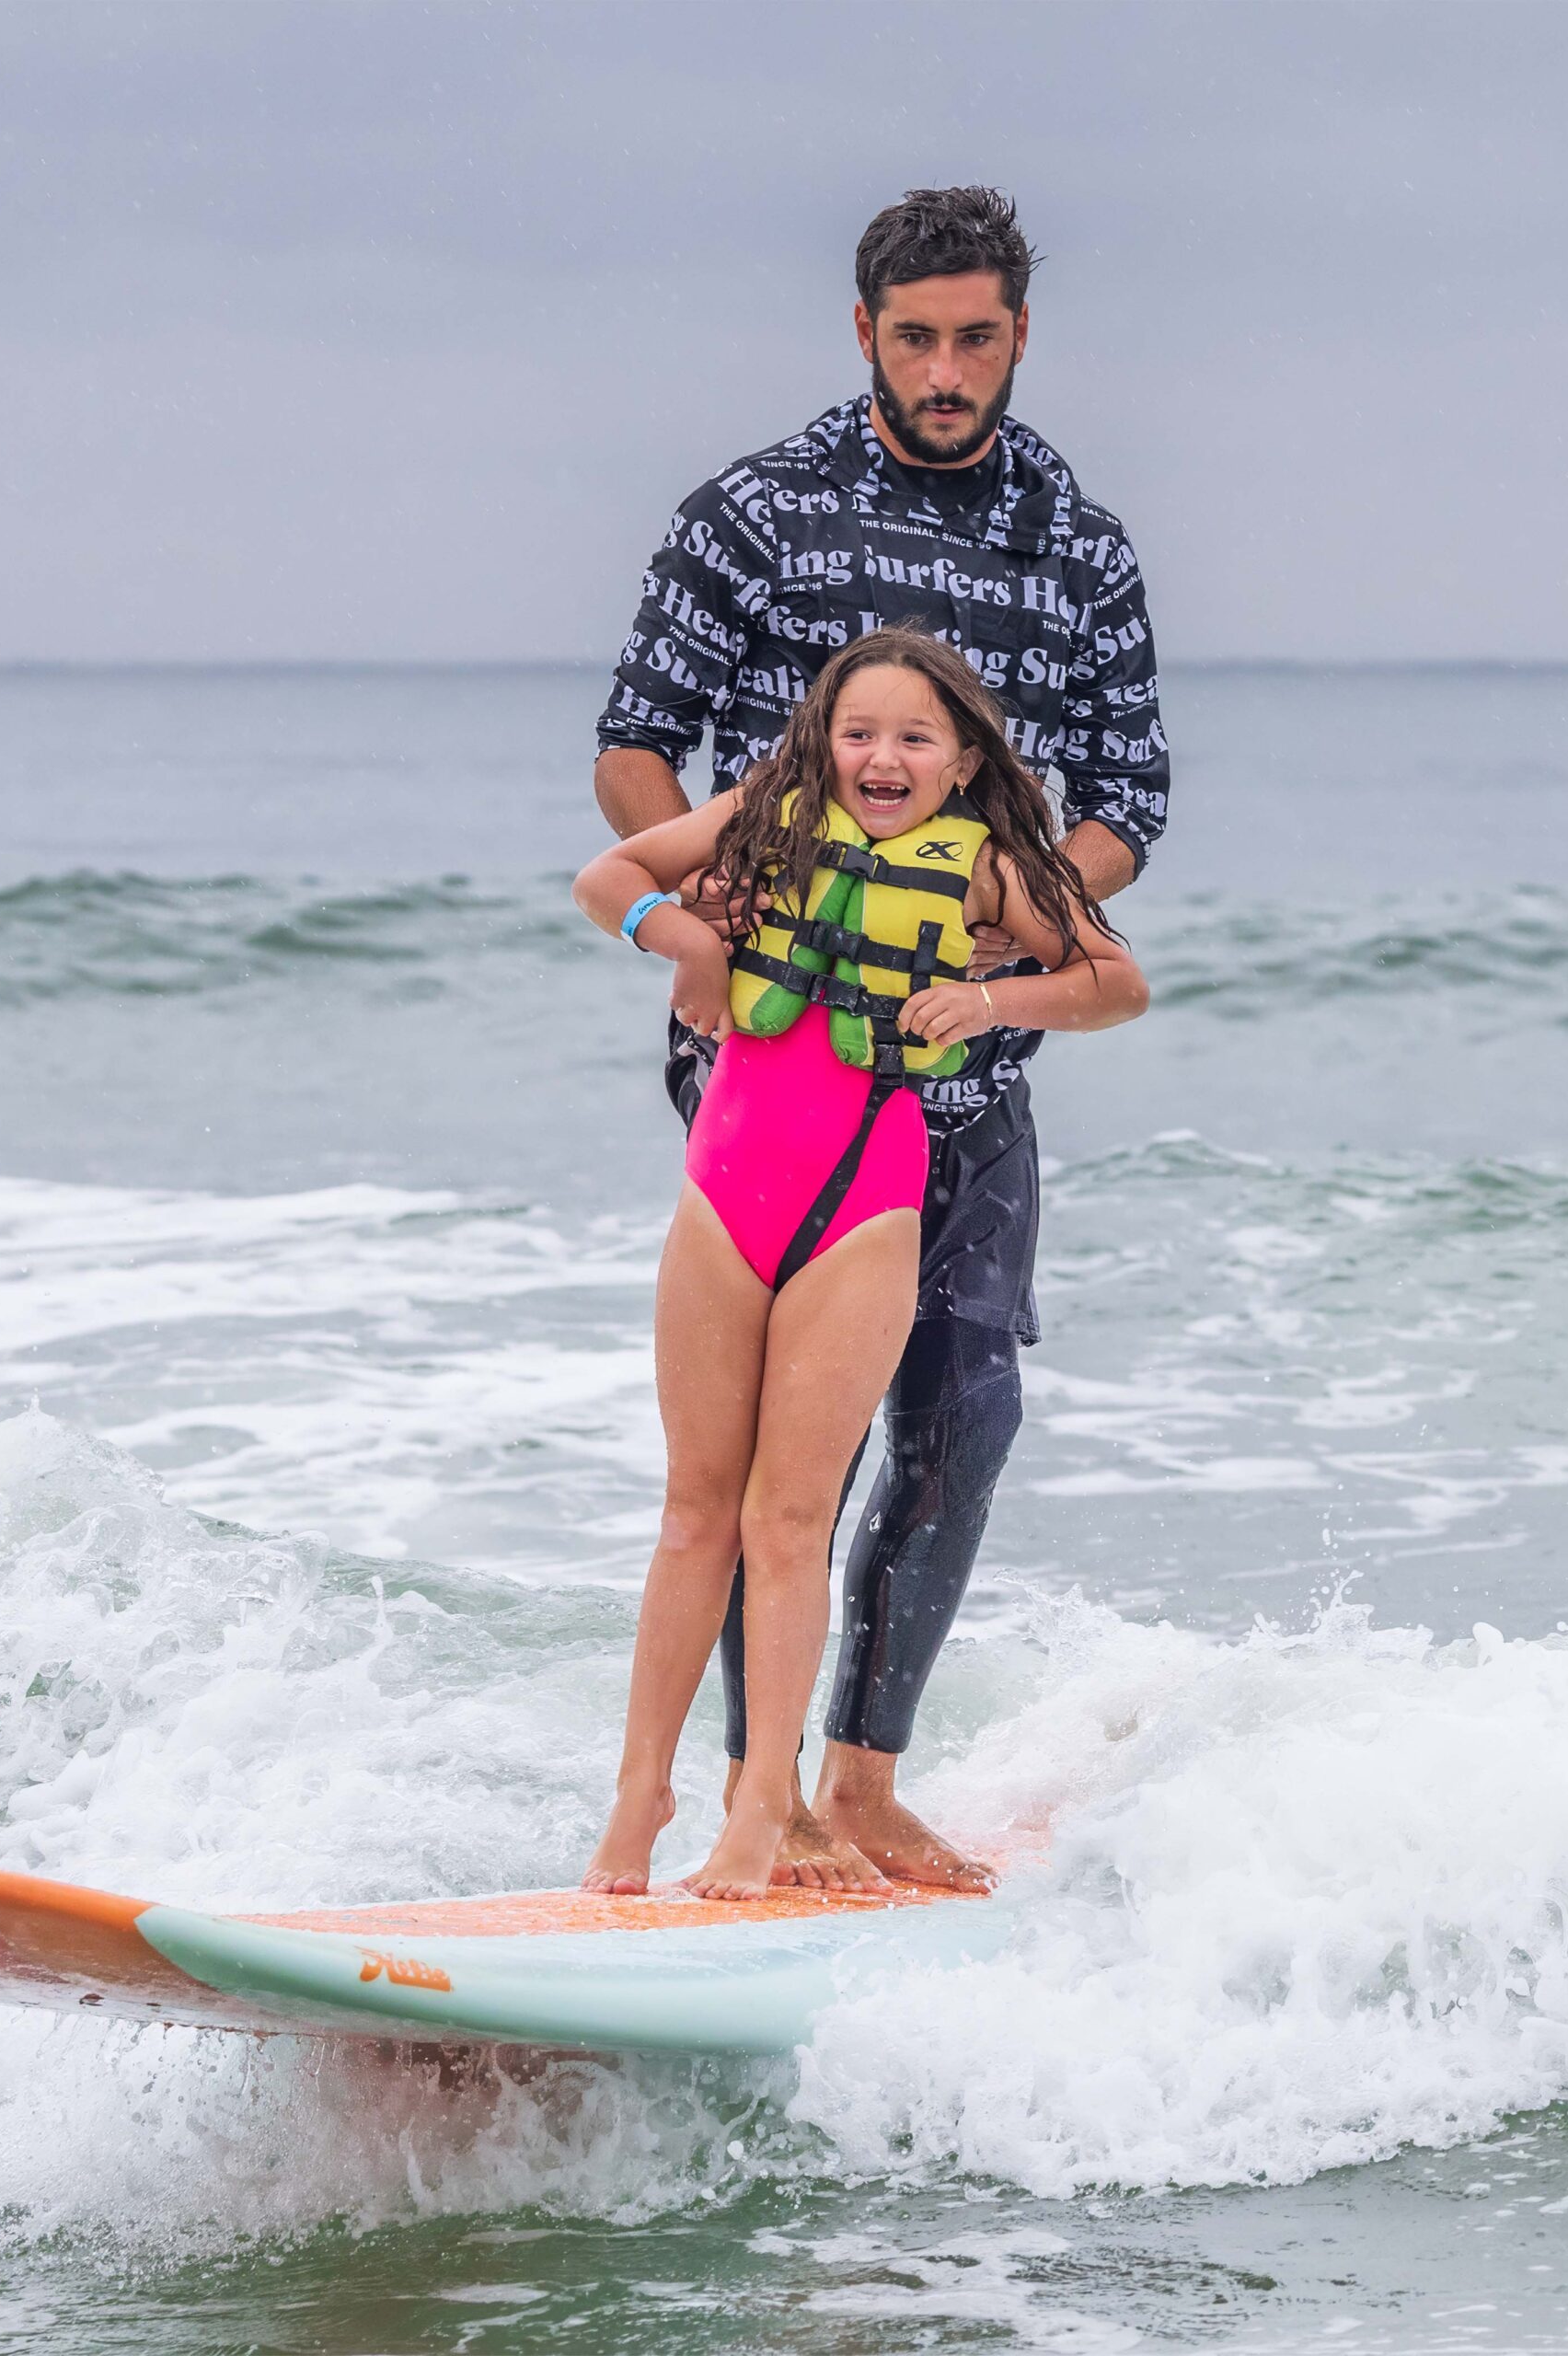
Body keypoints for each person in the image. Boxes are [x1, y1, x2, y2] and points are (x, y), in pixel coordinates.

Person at [593, 184, 1170, 1888]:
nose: (945, 371)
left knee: (966, 1405)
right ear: (864, 331)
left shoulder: (1080, 547)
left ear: (1019, 334)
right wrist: (703, 940)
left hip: (969, 1063)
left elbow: (1128, 798)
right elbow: (636, 749)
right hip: (774, 1054)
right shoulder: (753, 515)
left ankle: (858, 1777)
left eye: (976, 338)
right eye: (914, 338)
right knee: (778, 1451)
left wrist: (1012, 917)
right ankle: (748, 1798)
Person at [574, 630, 1147, 1900]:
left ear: (961, 762)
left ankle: (761, 1811)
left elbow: (1117, 983)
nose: (883, 757)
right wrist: (688, 943)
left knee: (785, 1524)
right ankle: (639, 1795)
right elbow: (606, 875)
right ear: (822, 744)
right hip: (724, 1191)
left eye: (915, 738)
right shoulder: (760, 820)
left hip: (863, 1206)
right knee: (693, 1514)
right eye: (859, 734)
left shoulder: (990, 869)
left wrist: (993, 1002)